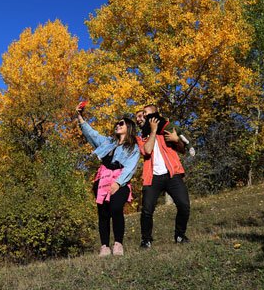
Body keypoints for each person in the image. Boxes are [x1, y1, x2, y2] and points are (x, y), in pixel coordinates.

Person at [77, 103, 140, 256]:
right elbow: (91, 134)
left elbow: (131, 167)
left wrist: (118, 183)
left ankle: (118, 243)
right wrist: (79, 117)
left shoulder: (133, 147)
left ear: (129, 127)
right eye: (117, 123)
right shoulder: (108, 142)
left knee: (116, 208)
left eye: (121, 123)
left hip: (120, 180)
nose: (117, 125)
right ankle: (104, 246)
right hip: (102, 178)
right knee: (103, 213)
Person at [135, 105, 191, 248]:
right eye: (137, 118)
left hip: (173, 174)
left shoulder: (165, 130)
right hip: (152, 177)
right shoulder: (141, 138)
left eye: (142, 115)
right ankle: (146, 240)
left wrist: (176, 139)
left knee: (184, 205)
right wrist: (153, 131)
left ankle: (179, 235)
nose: (139, 119)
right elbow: (147, 151)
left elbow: (182, 149)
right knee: (147, 210)